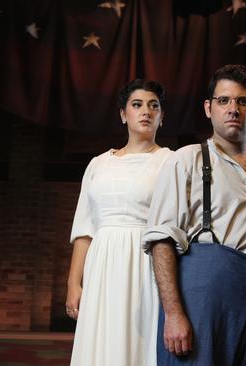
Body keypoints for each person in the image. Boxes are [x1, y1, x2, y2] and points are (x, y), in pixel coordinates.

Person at [142, 64, 246, 365]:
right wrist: (173, 314)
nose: (233, 109)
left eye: (242, 101)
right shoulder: (187, 161)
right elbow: (161, 241)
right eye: (223, 101)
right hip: (203, 302)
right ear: (209, 108)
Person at [66, 79, 172, 366]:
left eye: (154, 106)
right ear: (124, 114)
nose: (146, 112)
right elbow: (84, 228)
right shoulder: (98, 164)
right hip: (101, 266)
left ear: (162, 116)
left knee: (140, 344)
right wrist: (74, 283)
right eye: (137, 105)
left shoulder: (171, 162)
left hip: (146, 265)